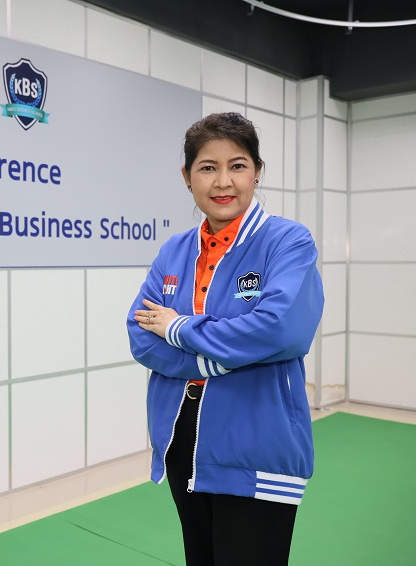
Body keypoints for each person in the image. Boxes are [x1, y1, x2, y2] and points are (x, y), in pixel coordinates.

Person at [127, 112, 324, 565]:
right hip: (183, 438)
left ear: (257, 171)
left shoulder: (287, 242)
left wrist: (179, 328)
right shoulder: (174, 250)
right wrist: (216, 359)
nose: (223, 181)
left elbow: (280, 329)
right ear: (187, 176)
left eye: (237, 165)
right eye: (207, 167)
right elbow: (141, 336)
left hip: (256, 439)